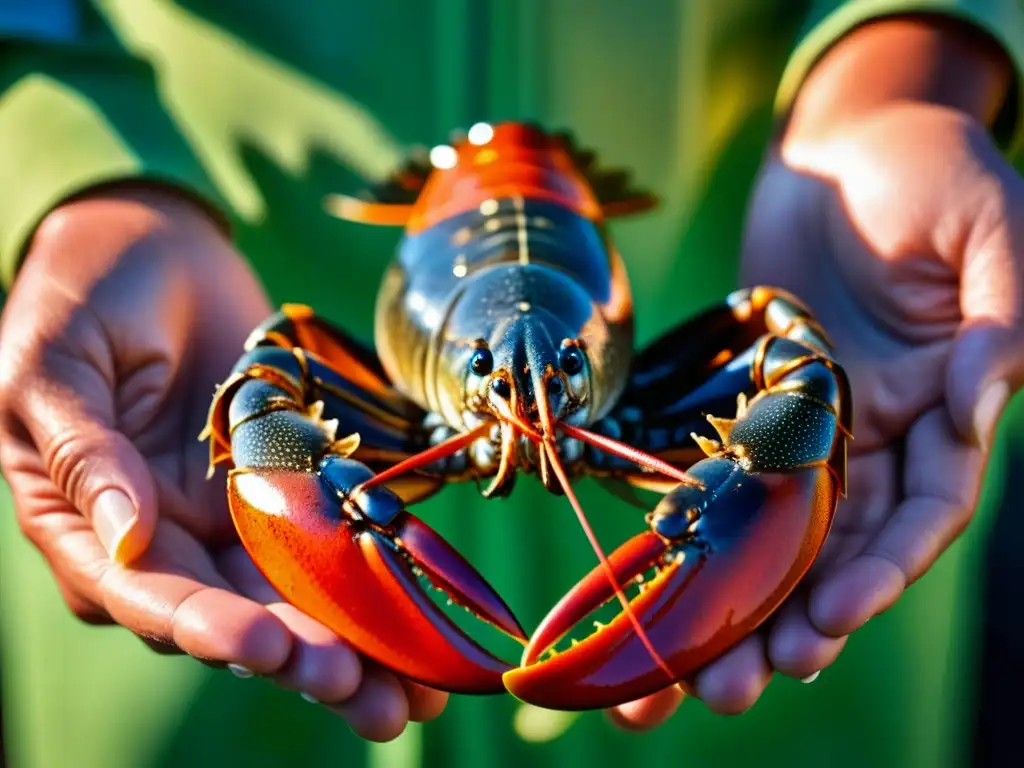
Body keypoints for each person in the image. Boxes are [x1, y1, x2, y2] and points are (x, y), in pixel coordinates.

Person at [1, 1, 1022, 765]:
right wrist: (76, 170)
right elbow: (268, 383)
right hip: (209, 321)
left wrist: (905, 79)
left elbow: (788, 361)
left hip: (748, 242)